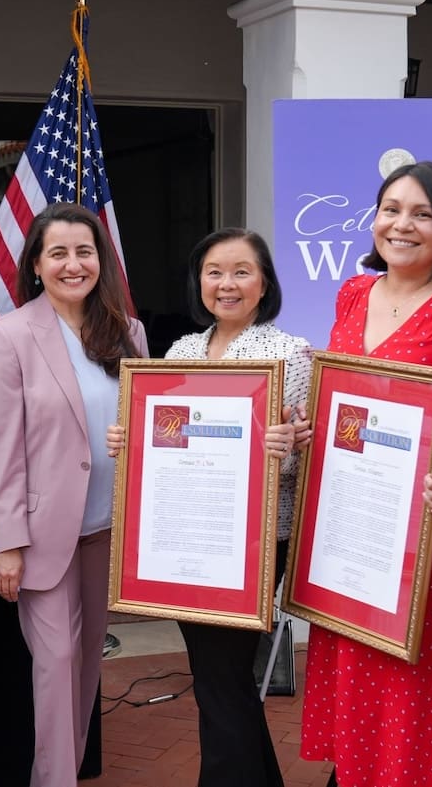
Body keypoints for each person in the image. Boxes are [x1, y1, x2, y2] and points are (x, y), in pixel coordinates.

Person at [299, 161, 432, 787]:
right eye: (391, 208)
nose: (402, 224)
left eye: (421, 213)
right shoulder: (351, 294)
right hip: (353, 520)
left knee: (420, 679)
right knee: (359, 659)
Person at [107, 227, 311, 786]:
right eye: (214, 271)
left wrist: (286, 449)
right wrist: (130, 441)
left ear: (264, 282)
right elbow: (167, 444)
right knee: (219, 678)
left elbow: (301, 456)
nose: (226, 284)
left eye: (242, 271)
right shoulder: (181, 351)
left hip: (254, 539)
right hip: (187, 536)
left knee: (221, 675)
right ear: (198, 281)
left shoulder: (287, 353)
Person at [0, 203, 148, 786]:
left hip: (106, 528)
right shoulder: (8, 335)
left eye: (84, 252)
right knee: (55, 667)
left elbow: (152, 427)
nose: (73, 265)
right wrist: (5, 543)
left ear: (101, 260)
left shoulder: (128, 332)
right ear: (36, 263)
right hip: (41, 536)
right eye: (59, 253)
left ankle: (62, 775)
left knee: (85, 673)